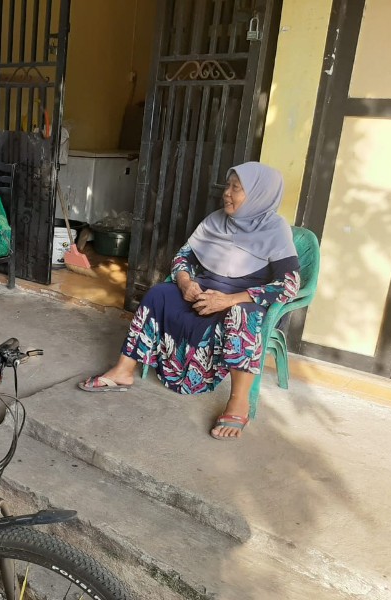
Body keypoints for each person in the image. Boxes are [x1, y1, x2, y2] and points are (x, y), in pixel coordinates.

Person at [79, 162, 301, 441]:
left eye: (236, 188)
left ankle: (238, 401)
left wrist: (229, 300)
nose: (227, 193)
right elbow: (183, 258)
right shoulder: (215, 220)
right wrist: (185, 283)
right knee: (159, 293)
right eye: (228, 186)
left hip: (243, 299)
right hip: (203, 290)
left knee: (243, 316)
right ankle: (123, 370)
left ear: (259, 194)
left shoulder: (275, 229)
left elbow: (289, 284)